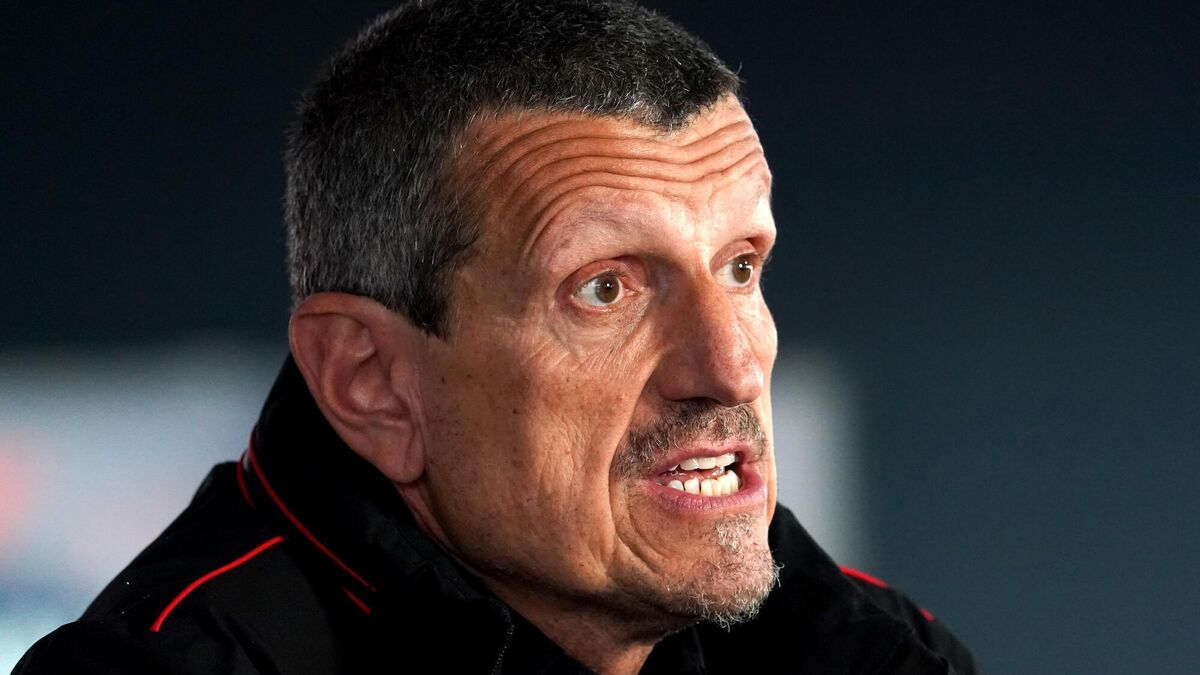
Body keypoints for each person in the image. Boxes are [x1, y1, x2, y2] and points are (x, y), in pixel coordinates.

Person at [15, 1, 982, 673]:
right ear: (369, 381)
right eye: (605, 288)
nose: (730, 367)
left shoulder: (873, 648)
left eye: (740, 266)